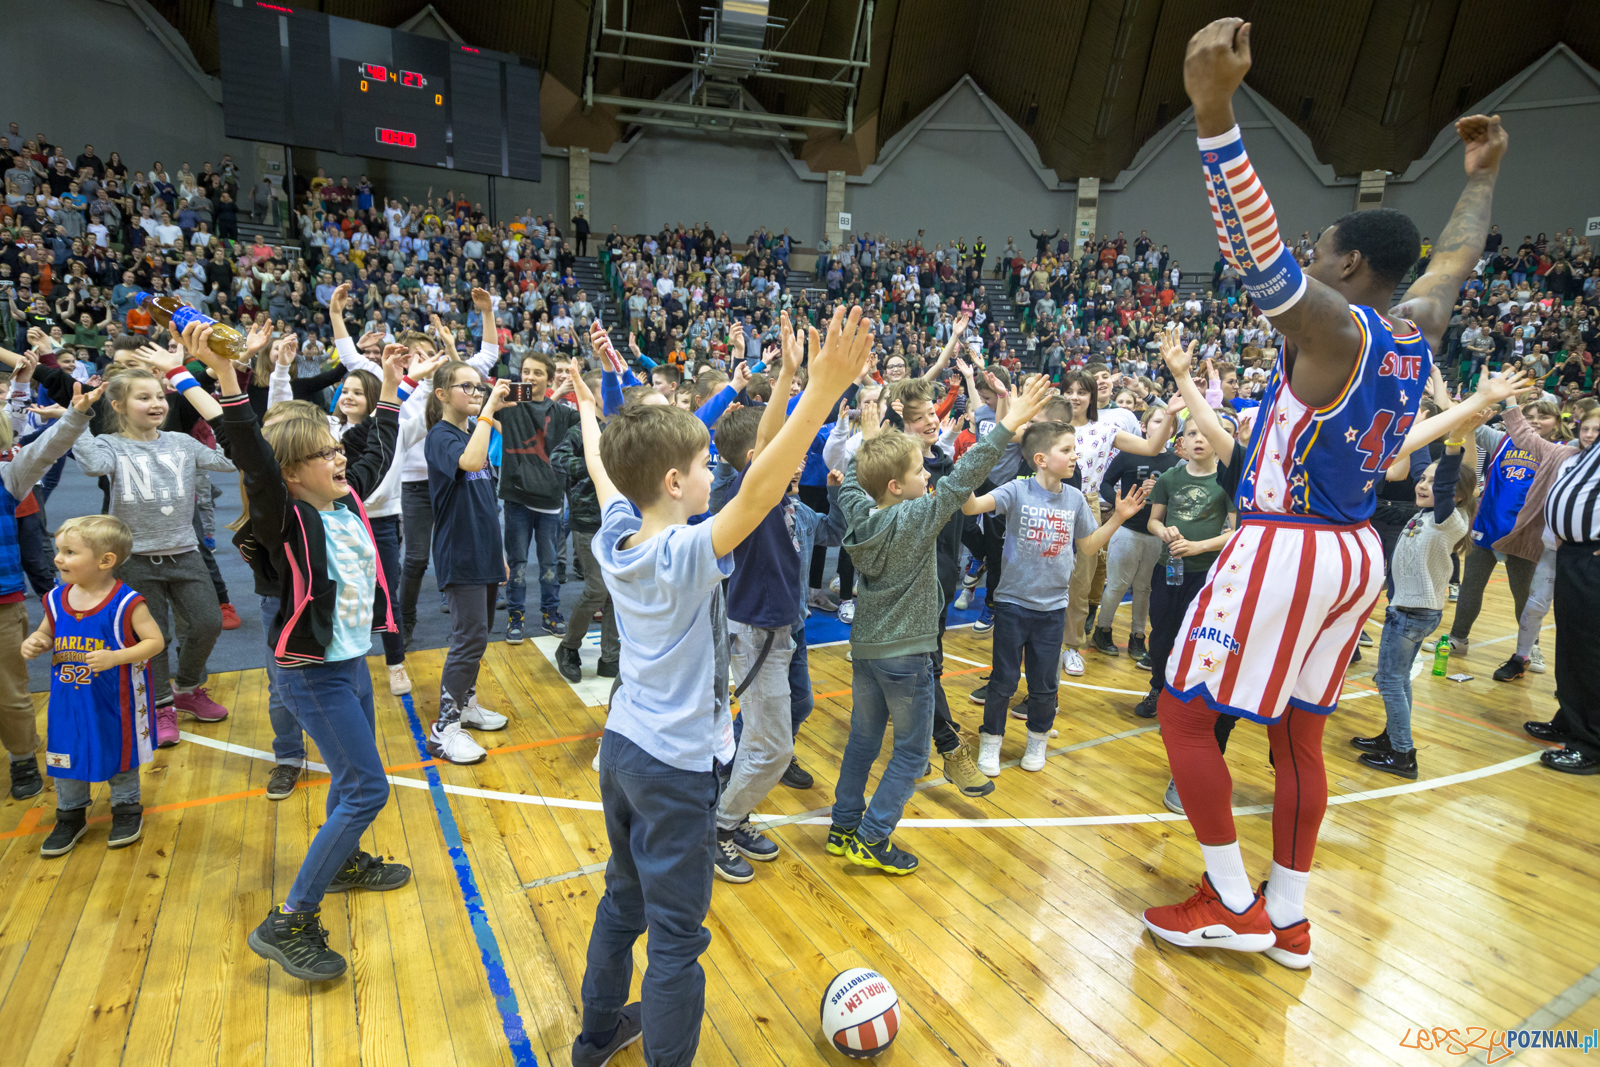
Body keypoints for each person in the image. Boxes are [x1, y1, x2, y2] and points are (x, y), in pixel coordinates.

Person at [1143, 17, 1507, 969]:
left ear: (1346, 268)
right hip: (1352, 555)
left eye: (1325, 248)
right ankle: (1291, 916)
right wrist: (1481, 179)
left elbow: (1263, 261)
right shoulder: (1412, 327)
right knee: (1299, 736)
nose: (1312, 256)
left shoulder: (1336, 332)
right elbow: (1456, 260)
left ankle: (1229, 899)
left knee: (1185, 713)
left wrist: (1215, 112)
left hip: (1283, 542)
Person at [568, 310, 873, 1067]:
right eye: (707, 466)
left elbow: (609, 466)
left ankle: (596, 1034)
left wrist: (588, 411)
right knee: (675, 940)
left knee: (621, 900)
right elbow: (765, 487)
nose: (718, 475)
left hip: (624, 748)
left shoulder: (620, 532)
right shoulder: (683, 553)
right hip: (674, 767)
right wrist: (823, 391)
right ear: (675, 482)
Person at [210, 325, 414, 980]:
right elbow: (252, 456)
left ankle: (345, 858)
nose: (340, 458)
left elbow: (375, 447)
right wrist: (223, 376)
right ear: (292, 472)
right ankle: (291, 917)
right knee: (367, 787)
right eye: (325, 453)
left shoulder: (348, 499)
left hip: (349, 664)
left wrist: (387, 377)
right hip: (311, 675)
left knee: (353, 781)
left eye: (336, 448)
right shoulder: (288, 517)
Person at [827, 373, 1051, 875]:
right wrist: (1007, 424)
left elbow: (850, 491)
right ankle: (872, 835)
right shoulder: (916, 517)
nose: (926, 476)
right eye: (917, 471)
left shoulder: (861, 511)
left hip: (865, 651)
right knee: (909, 753)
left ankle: (843, 826)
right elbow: (961, 477)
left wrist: (867, 441)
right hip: (908, 656)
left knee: (863, 742)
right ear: (896, 485)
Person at [966, 420, 1147, 777]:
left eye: (1074, 449)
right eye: (1066, 450)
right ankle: (991, 742)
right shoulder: (1016, 491)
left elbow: (1089, 546)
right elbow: (971, 507)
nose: (1075, 456)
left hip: (1052, 609)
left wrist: (1120, 518)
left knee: (1045, 684)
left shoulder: (1076, 498)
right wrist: (972, 465)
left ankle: (1037, 740)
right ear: (1041, 458)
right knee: (1003, 679)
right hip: (1012, 604)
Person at [73, 357, 236, 745]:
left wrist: (217, 415)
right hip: (135, 559)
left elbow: (230, 460)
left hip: (184, 551)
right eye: (142, 397)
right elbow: (92, 465)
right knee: (155, 635)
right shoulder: (109, 444)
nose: (156, 403)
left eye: (159, 396)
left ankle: (188, 688)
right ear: (118, 407)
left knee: (207, 622)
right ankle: (162, 704)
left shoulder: (182, 442)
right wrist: (78, 419)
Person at [1351, 391, 1489, 779]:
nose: (1425, 483)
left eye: (1433, 482)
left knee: (1390, 682)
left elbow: (1446, 480)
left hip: (1412, 614)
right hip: (1408, 611)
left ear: (1457, 494)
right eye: (1423, 479)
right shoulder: (1421, 514)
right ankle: (1391, 737)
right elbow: (1400, 487)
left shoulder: (1450, 520)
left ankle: (1403, 754)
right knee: (1398, 681)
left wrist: (1454, 440)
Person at [23, 515, 164, 855]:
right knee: (64, 755)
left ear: (105, 561)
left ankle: (127, 809)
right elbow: (47, 631)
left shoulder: (127, 602)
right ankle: (70, 815)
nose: (58, 559)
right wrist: (37, 641)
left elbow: (155, 642)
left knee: (118, 753)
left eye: (69, 552)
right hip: (67, 703)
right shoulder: (55, 599)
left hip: (115, 701)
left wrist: (117, 657)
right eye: (58, 550)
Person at [1, 378, 108, 800]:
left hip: (3, 602)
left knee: (9, 692)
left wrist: (76, 414)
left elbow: (45, 450)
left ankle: (23, 757)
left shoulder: (9, 476)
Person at [423, 359, 514, 764]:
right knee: (468, 639)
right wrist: (489, 411)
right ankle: (444, 729)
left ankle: (466, 704)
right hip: (459, 553)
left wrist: (500, 554)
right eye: (467, 387)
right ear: (442, 395)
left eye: (480, 387)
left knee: (480, 636)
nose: (476, 393)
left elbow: (483, 500)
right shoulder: (441, 437)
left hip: (484, 552)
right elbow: (471, 463)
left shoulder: (470, 433)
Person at [1526, 421, 1600, 774]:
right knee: (1572, 645)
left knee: (1590, 651)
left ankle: (1591, 745)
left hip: (1592, 557)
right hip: (1575, 554)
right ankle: (1571, 721)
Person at [499, 349, 578, 642]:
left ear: (550, 379)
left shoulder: (562, 413)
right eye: (526, 371)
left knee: (549, 565)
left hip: (549, 501)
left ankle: (550, 612)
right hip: (516, 499)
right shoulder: (508, 405)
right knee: (517, 562)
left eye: (537, 373)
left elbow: (595, 419)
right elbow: (479, 408)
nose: (530, 377)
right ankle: (515, 616)